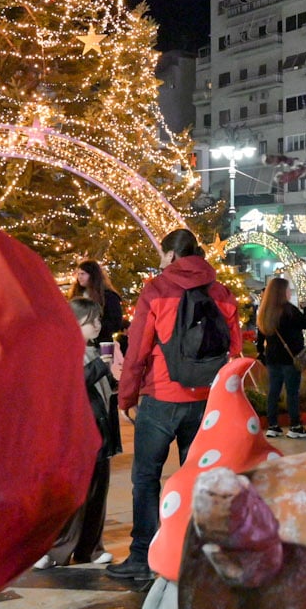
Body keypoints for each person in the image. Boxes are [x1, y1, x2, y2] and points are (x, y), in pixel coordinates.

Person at [108, 229, 242, 581]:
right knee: (197, 477)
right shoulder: (221, 291)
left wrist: (127, 397)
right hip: (204, 400)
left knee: (146, 477)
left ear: (171, 255)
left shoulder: (156, 289)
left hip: (161, 398)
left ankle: (143, 556)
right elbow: (234, 348)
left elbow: (137, 349)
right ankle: (195, 554)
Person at [37, 299, 122, 569]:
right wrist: (101, 365)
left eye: (98, 319)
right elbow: (71, 382)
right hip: (75, 435)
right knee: (73, 495)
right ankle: (55, 550)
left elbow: (104, 390)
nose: (98, 324)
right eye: (91, 319)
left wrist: (115, 375)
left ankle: (91, 550)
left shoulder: (93, 350)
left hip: (100, 430)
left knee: (97, 493)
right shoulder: (60, 351)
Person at [257, 275, 306, 439]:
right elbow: (305, 324)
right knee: (292, 392)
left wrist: (261, 354)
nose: (289, 292)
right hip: (290, 358)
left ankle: (273, 425)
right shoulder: (289, 310)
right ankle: (295, 425)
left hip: (272, 358)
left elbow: (260, 337)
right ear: (282, 292)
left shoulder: (265, 311)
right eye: (288, 289)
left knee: (273, 392)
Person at [70, 260, 126, 348]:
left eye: (83, 274)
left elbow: (115, 322)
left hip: (101, 344)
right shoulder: (77, 295)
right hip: (79, 343)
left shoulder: (108, 296)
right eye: (79, 274)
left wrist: (95, 327)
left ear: (93, 275)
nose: (79, 277)